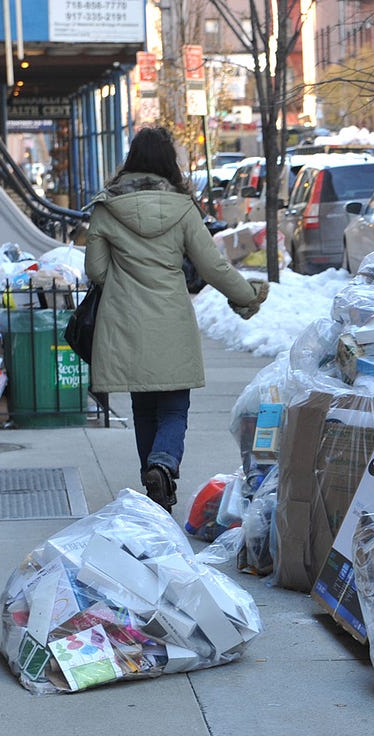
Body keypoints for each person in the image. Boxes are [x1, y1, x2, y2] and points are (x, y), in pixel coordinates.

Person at [85, 126, 268, 514]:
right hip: (170, 321)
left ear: (131, 161)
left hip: (123, 323)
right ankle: (163, 464)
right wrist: (247, 295)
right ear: (170, 163)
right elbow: (213, 266)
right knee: (172, 407)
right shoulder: (183, 209)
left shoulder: (106, 207)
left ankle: (154, 486)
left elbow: (96, 271)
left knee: (143, 407)